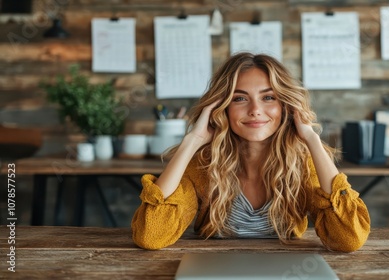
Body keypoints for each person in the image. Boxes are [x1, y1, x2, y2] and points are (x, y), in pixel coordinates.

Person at [131, 52, 370, 252]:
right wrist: (192, 141)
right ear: (222, 108)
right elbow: (151, 236)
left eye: (268, 97)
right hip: (214, 270)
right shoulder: (203, 166)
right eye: (240, 99)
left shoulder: (303, 164)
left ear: (286, 106)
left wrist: (311, 139)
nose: (255, 110)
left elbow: (349, 239)